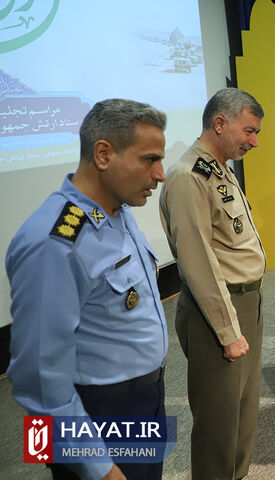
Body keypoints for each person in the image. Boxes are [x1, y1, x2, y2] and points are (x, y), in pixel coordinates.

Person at [6, 99, 169, 480]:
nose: (160, 174)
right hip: (95, 415)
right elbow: (37, 382)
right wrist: (98, 467)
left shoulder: (116, 211)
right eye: (149, 159)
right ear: (103, 154)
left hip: (143, 400)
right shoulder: (53, 242)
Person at [159, 88, 264, 480]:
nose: (254, 142)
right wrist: (227, 330)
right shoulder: (188, 177)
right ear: (219, 123)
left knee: (242, 414)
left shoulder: (218, 168)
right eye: (249, 131)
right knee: (218, 425)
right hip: (216, 313)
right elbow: (198, 262)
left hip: (245, 304)